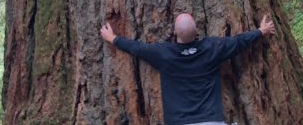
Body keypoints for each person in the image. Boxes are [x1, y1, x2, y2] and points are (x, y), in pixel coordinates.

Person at [100, 13, 275, 125]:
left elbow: (137, 48)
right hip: (211, 121)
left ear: (175, 33)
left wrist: (113, 38)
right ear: (196, 31)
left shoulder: (163, 54)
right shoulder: (212, 49)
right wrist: (261, 30)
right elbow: (239, 42)